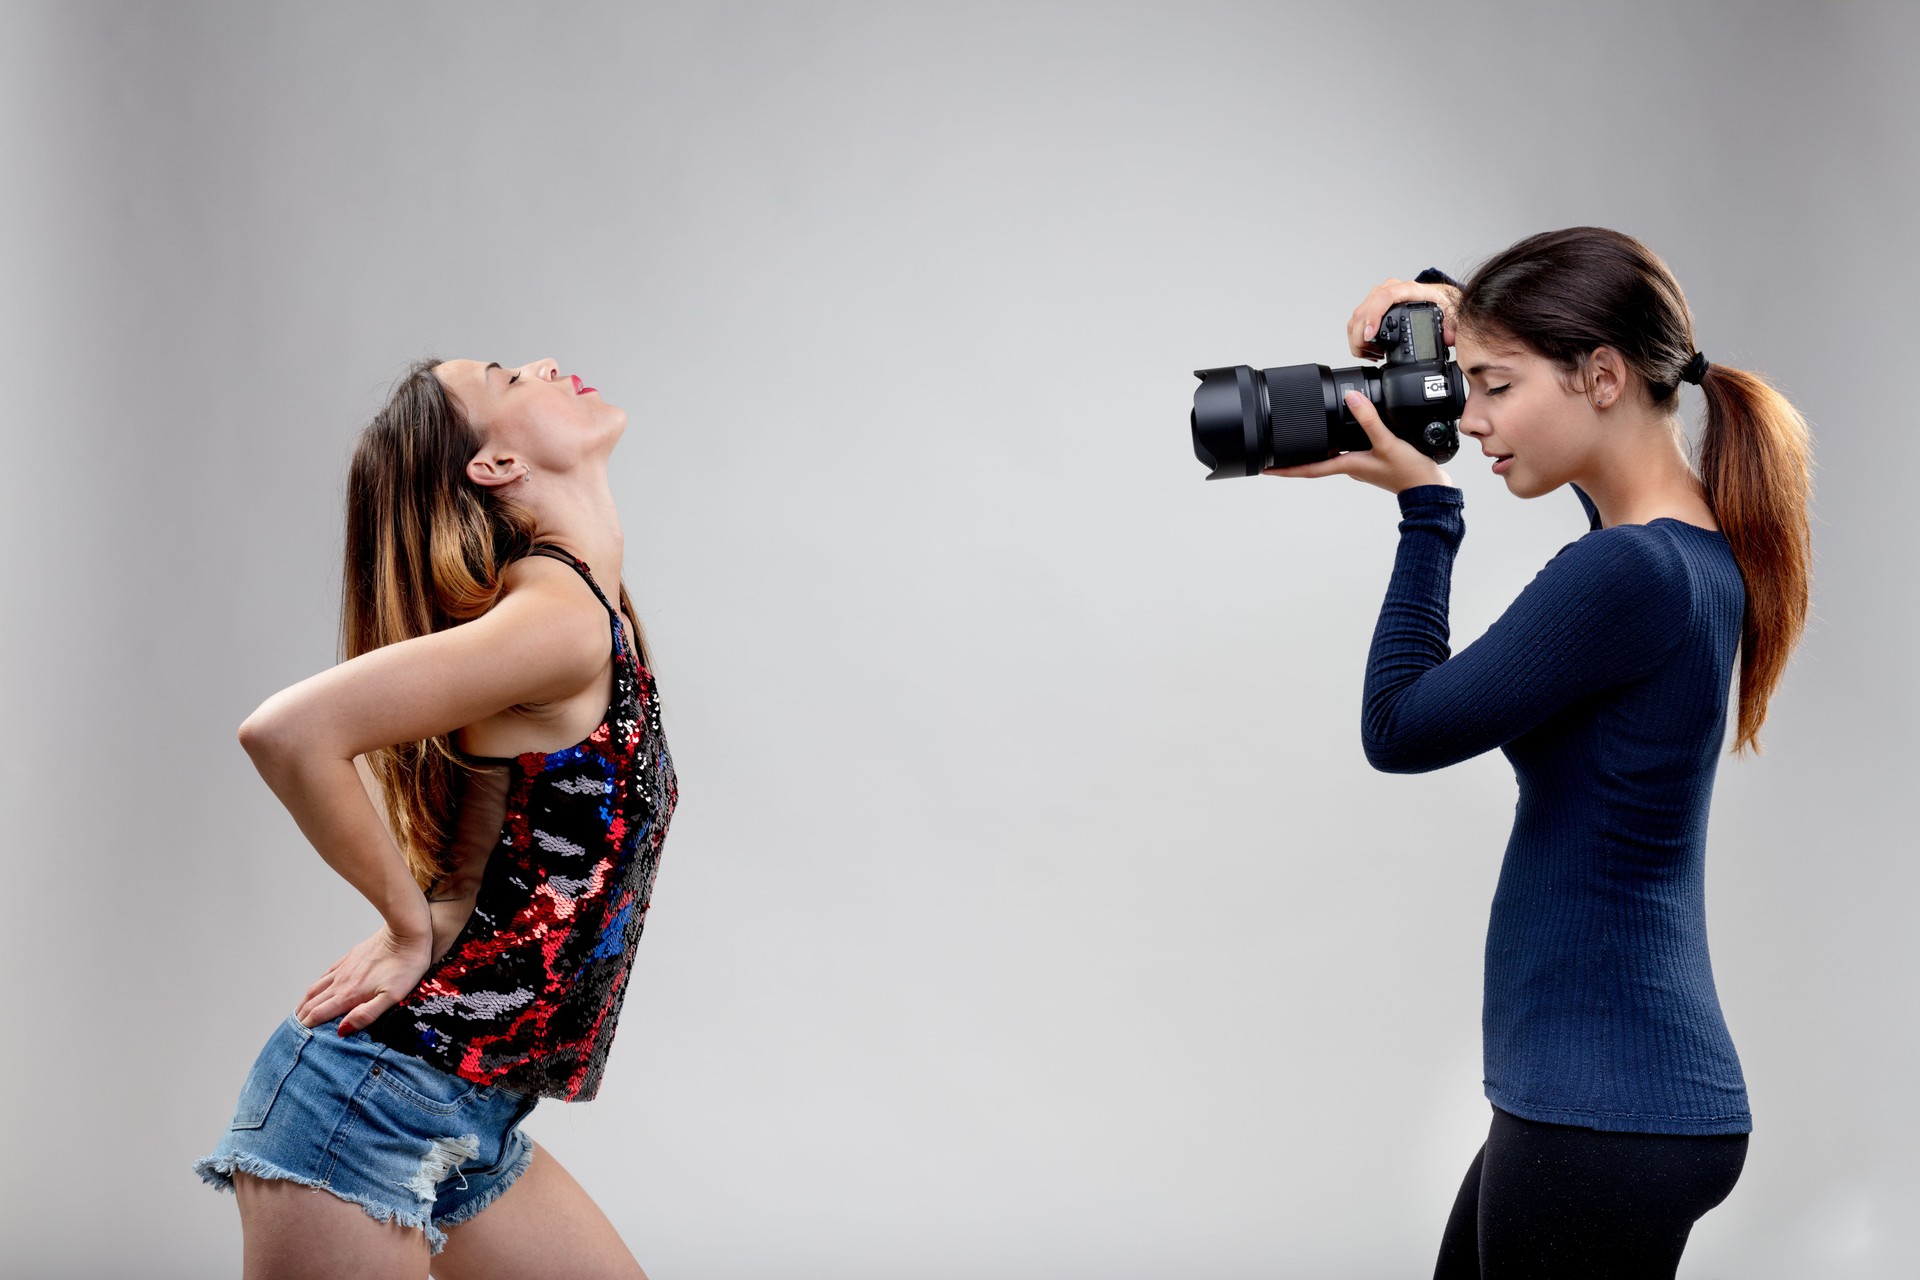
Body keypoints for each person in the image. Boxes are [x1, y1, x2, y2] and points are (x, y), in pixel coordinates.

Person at [1270, 228, 1812, 1277]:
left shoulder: (1630, 573)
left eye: (1492, 385)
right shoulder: (1684, 549)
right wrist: (1449, 303)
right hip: (1606, 1099)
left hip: (1601, 1113)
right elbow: (1589, 450)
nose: (1467, 419)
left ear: (1604, 375)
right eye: (1467, 381)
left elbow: (1401, 724)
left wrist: (1425, 512)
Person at [194, 357, 676, 1279]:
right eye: (505, 377)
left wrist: (435, 905)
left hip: (466, 1115)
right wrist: (404, 924)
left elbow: (488, 845)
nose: (541, 364)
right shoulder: (559, 618)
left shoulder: (575, 608)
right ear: (493, 466)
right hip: (370, 1107)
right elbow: (287, 733)